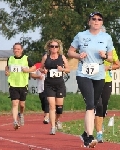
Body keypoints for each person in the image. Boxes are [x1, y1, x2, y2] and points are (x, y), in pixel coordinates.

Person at [68, 12, 113, 148]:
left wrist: (105, 55)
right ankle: (89, 137)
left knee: (94, 105)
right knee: (90, 105)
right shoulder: (81, 36)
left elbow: (111, 58)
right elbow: (70, 52)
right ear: (89, 22)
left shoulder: (107, 37)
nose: (96, 21)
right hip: (84, 73)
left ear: (102, 23)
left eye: (99, 19)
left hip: (99, 74)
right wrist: (78, 55)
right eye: (94, 19)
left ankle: (85, 134)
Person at [95, 26, 120, 143]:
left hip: (107, 80)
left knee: (104, 105)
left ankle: (100, 124)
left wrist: (107, 67)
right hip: (93, 80)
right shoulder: (90, 48)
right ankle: (99, 133)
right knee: (98, 106)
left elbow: (117, 64)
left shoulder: (110, 49)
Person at [40, 39, 70, 135]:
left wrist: (63, 69)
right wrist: (43, 71)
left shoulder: (62, 57)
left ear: (58, 48)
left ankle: (57, 120)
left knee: (59, 109)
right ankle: (52, 127)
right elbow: (41, 68)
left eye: (56, 46)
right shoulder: (46, 57)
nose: (54, 48)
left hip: (60, 84)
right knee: (52, 106)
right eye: (52, 46)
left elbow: (68, 69)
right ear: (49, 48)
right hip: (49, 84)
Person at [5, 42, 36, 130]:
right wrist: (6, 72)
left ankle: (21, 114)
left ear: (21, 50)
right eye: (15, 49)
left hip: (23, 84)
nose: (16, 50)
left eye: (18, 49)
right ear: (13, 50)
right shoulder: (10, 58)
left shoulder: (26, 58)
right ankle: (15, 121)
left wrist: (27, 70)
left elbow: (34, 68)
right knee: (15, 103)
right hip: (13, 84)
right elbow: (7, 67)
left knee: (22, 105)